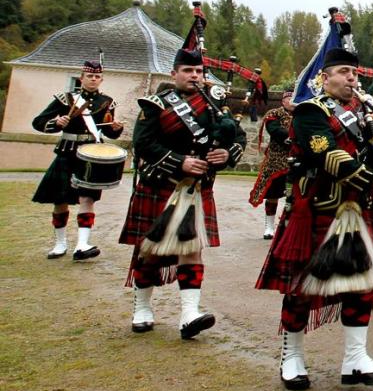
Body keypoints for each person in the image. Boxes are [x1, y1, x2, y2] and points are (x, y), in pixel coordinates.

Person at [255, 47, 373, 390]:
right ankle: (292, 356)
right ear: (324, 78)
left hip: (356, 211)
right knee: (301, 289)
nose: (351, 78)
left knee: (361, 286)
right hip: (317, 209)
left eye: (354, 73)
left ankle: (355, 359)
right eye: (343, 72)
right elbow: (327, 154)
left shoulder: (364, 113)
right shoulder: (309, 112)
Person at [120, 47, 245, 338]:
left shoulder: (214, 106)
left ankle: (189, 314)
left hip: (195, 188)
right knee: (148, 252)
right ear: (174, 74)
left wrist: (226, 154)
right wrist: (181, 162)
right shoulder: (156, 104)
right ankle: (142, 307)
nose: (195, 76)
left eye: (199, 71)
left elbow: (237, 137)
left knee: (191, 248)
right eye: (188, 71)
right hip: (160, 185)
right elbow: (143, 144)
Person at [31, 59, 125, 260]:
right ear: (81, 78)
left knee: (88, 198)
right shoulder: (64, 99)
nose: (93, 79)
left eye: (97, 76)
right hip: (67, 153)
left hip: (92, 156)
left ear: (101, 80)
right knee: (60, 200)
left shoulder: (107, 102)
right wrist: (56, 122)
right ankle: (60, 243)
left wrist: (116, 128)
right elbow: (38, 122)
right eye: (90, 76)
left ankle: (82, 245)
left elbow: (109, 130)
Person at [249, 90, 295, 239]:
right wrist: (291, 138)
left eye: (295, 98)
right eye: (289, 98)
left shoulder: (302, 115)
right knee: (273, 194)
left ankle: (288, 226)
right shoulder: (274, 113)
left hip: (296, 160)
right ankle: (269, 227)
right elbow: (274, 130)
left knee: (295, 196)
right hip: (276, 160)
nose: (292, 101)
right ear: (283, 101)